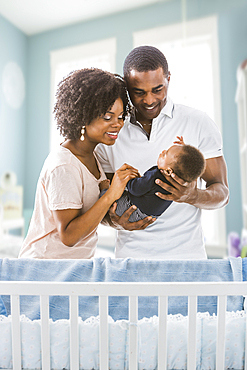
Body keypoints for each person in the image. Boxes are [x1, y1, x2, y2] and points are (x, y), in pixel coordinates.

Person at [96, 45, 229, 260]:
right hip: (130, 261)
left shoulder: (198, 122)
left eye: (157, 89)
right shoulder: (110, 133)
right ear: (127, 88)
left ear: (168, 78)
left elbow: (222, 192)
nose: (149, 100)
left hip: (187, 259)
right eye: (138, 92)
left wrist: (193, 196)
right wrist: (114, 221)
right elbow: (102, 201)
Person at [18, 68, 139, 259]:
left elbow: (88, 215)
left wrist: (117, 220)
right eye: (108, 117)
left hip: (72, 271)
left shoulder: (93, 156)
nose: (118, 124)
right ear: (83, 116)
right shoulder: (64, 165)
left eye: (121, 116)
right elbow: (69, 235)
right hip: (44, 272)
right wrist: (110, 195)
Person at [100, 136, 206, 222]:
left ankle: (103, 190)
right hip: (151, 216)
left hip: (132, 211)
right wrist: (185, 149)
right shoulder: (181, 181)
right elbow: (189, 165)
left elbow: (135, 189)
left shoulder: (156, 176)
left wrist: (128, 180)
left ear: (169, 171)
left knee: (105, 199)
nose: (163, 151)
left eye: (165, 154)